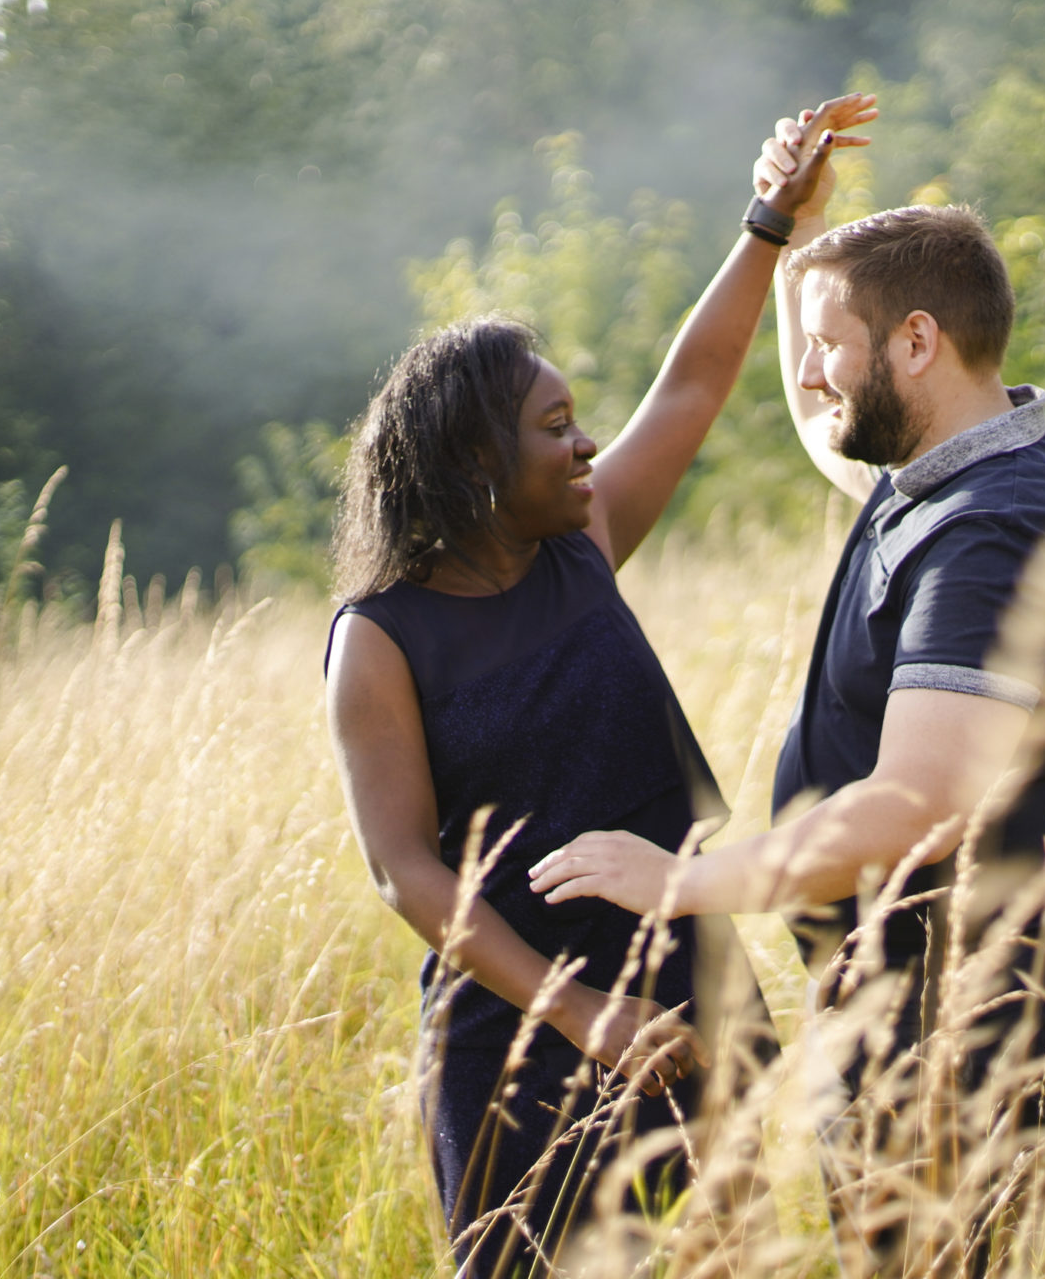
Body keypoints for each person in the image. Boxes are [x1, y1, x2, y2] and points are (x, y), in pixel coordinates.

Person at [528, 106, 1045, 1272]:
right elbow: (821, 413)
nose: (803, 374)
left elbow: (916, 803)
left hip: (969, 1002)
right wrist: (790, 232)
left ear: (915, 343)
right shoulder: (934, 459)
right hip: (904, 984)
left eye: (827, 343)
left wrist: (687, 882)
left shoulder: (992, 531)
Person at [323, 96, 878, 1278]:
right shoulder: (381, 639)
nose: (585, 447)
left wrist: (771, 221)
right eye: (557, 425)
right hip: (517, 1027)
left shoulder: (584, 544)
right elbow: (403, 868)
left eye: (580, 424)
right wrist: (579, 1013)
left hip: (687, 982)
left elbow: (691, 385)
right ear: (478, 464)